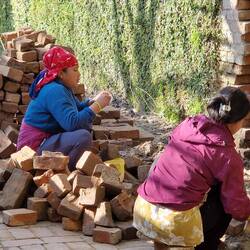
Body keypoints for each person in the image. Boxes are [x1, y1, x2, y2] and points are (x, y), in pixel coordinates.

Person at [133, 86, 250, 250]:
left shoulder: (188, 125)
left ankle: (163, 243)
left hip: (144, 210)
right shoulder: (227, 155)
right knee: (225, 202)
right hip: (174, 222)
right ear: (237, 121)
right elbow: (236, 205)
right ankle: (205, 245)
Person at [17, 46, 111, 170]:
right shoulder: (55, 90)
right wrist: (97, 106)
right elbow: (73, 123)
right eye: (75, 70)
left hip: (44, 141)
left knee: (83, 133)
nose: (79, 74)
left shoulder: (61, 86)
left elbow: (77, 108)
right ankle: (66, 174)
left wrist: (92, 101)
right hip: (33, 149)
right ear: (61, 73)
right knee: (83, 137)